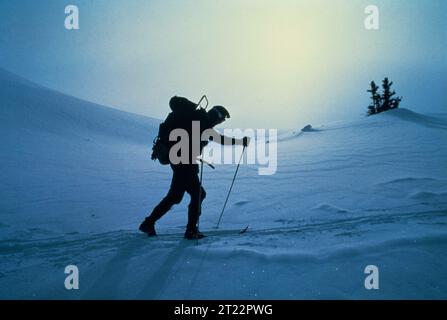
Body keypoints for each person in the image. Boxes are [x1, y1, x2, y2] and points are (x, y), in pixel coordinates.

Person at [139, 96, 250, 239]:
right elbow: (220, 139)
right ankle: (190, 231)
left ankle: (149, 223)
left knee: (175, 197)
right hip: (185, 163)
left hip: (180, 161)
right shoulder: (203, 122)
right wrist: (241, 141)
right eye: (221, 120)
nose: (219, 122)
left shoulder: (197, 120)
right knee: (197, 194)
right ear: (217, 116)